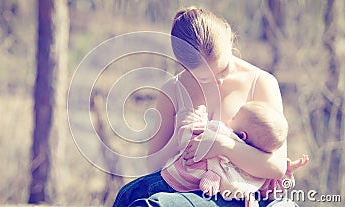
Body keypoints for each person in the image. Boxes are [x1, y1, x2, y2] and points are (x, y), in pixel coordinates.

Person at [115, 6, 301, 207]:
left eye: (224, 69)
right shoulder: (173, 90)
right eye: (205, 77)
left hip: (235, 192)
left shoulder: (261, 82)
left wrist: (223, 146)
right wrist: (180, 136)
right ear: (185, 66)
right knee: (128, 196)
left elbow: (275, 166)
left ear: (229, 42)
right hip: (183, 187)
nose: (218, 81)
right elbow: (152, 165)